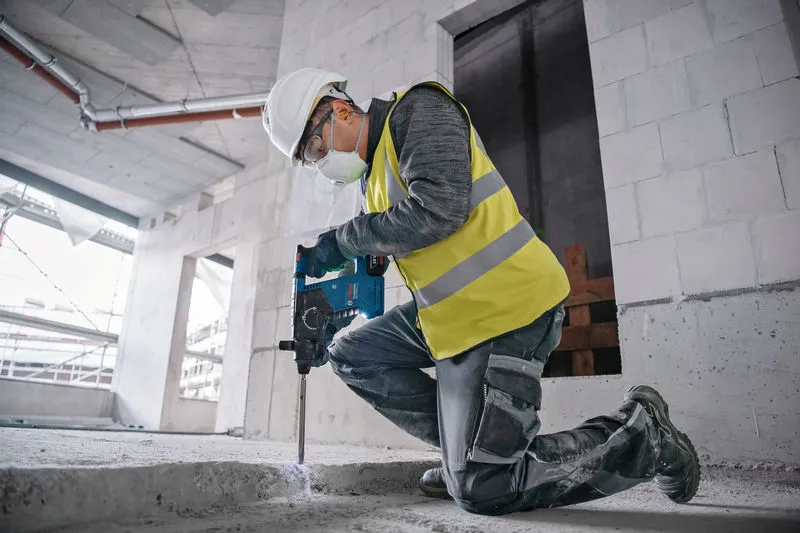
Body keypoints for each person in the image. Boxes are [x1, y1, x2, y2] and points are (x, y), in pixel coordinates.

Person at [261, 67, 700, 515]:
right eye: (309, 157)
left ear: (338, 109)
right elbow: (379, 253)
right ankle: (465, 454)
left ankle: (643, 434)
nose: (318, 160)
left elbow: (439, 210)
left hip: (508, 304)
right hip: (453, 316)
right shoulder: (371, 179)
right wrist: (334, 314)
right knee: (351, 354)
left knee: (485, 489)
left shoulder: (417, 110)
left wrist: (342, 239)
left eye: (314, 145)